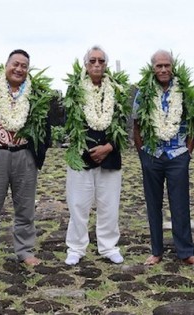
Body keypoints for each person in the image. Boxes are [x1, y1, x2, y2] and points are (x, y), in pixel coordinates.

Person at [0, 49, 52, 267]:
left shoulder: (36, 92)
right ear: (6, 65)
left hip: (25, 156)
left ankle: (25, 250)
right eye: (15, 64)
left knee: (25, 208)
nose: (19, 69)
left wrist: (38, 156)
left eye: (24, 66)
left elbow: (46, 126)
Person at [133, 50, 194, 266]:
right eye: (159, 66)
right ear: (152, 68)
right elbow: (136, 123)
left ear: (173, 67)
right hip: (152, 155)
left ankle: (185, 251)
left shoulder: (184, 91)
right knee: (153, 204)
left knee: (180, 204)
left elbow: (193, 122)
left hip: (177, 155)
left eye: (166, 65)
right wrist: (142, 152)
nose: (163, 69)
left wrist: (188, 152)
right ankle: (156, 250)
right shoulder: (144, 92)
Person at [63, 46, 130, 265]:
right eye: (92, 61)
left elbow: (122, 124)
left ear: (106, 65)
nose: (97, 64)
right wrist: (89, 151)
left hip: (110, 155)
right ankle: (76, 247)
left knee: (109, 205)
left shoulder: (117, 90)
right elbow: (70, 124)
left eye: (101, 61)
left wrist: (108, 147)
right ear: (86, 65)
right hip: (81, 156)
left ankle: (108, 246)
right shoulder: (75, 90)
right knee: (78, 204)